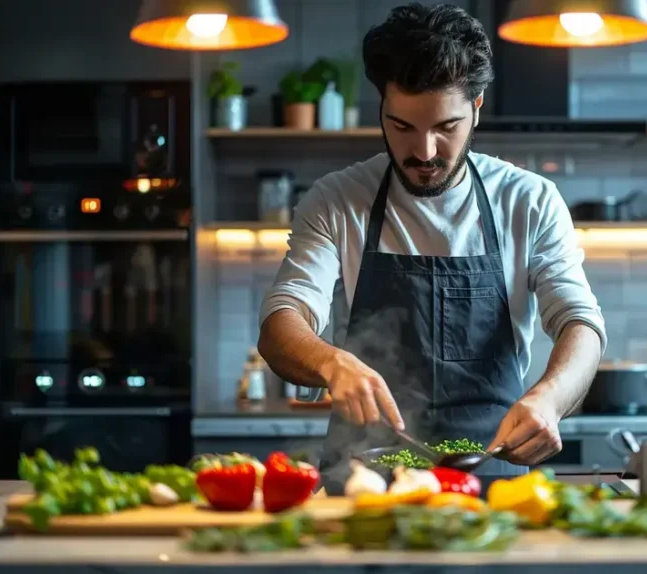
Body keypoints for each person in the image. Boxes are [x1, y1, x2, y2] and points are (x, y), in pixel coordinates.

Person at [258, 3, 606, 494]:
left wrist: (549, 399)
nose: (423, 152)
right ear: (381, 107)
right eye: (402, 127)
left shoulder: (527, 200)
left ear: (477, 106)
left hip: (493, 477)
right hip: (365, 483)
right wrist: (331, 362)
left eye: (445, 128)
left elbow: (580, 323)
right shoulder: (338, 199)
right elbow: (281, 321)